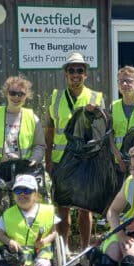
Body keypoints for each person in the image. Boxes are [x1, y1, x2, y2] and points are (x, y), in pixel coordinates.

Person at [45, 52, 104, 251]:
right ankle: (64, 249)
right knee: (63, 207)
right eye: (71, 70)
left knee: (85, 209)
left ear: (86, 74)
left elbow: (103, 131)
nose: (75, 74)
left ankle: (85, 249)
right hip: (60, 160)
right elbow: (49, 130)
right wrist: (48, 160)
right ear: (66, 74)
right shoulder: (56, 97)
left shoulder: (96, 97)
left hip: (85, 161)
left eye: (80, 70)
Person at [0, 75, 47, 240]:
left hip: (24, 172)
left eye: (21, 94)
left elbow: (39, 145)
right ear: (6, 93)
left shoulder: (32, 118)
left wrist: (35, 159)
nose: (16, 97)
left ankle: (23, 244)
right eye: (13, 93)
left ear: (26, 96)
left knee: (23, 211)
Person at [0, 174, 60, 266]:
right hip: (17, 252)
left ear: (35, 194)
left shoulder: (47, 211)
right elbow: (0, 236)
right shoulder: (8, 214)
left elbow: (55, 233)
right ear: (14, 194)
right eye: (18, 191)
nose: (22, 194)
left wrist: (45, 240)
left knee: (44, 265)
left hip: (40, 250)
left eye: (27, 190)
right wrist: (10, 241)